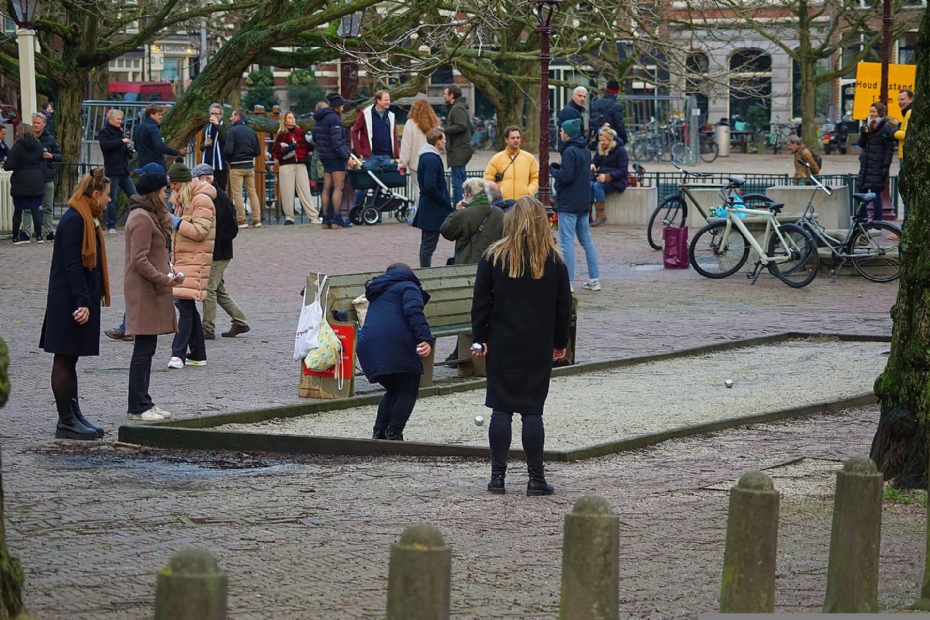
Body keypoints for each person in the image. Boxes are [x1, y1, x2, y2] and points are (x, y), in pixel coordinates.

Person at [470, 196, 572, 496]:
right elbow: (563, 307)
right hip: (537, 343)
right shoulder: (553, 260)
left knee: (500, 408)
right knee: (532, 411)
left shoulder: (494, 257)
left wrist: (480, 338)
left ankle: (497, 478)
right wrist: (560, 342)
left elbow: (481, 303)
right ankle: (535, 478)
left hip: (502, 341)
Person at [39, 169, 112, 440]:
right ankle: (66, 420)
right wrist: (82, 302)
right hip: (68, 301)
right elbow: (72, 265)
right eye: (107, 195)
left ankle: (74, 414)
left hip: (77, 298)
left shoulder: (86, 218)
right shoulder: (75, 220)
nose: (109, 200)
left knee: (71, 358)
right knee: (64, 357)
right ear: (95, 195)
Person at [123, 168, 178, 422]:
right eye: (164, 190)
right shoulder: (141, 218)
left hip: (151, 288)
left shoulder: (148, 215)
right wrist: (162, 278)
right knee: (143, 350)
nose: (166, 195)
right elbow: (139, 259)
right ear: (155, 192)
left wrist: (168, 268)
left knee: (148, 348)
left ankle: (144, 401)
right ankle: (137, 406)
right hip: (143, 290)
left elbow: (152, 254)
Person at [356, 263, 433, 441]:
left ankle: (379, 432)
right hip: (396, 344)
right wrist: (425, 339)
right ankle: (394, 434)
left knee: (393, 389)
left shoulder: (378, 290)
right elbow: (414, 312)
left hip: (368, 346)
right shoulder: (408, 286)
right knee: (407, 388)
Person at [166, 158, 216, 369]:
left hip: (195, 259)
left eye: (175, 183)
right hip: (184, 259)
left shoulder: (201, 200)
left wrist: (178, 223)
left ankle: (177, 354)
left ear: (183, 183)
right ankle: (197, 353)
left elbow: (200, 231)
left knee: (185, 307)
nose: (171, 188)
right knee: (187, 306)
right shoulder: (181, 201)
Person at [192, 163, 250, 340]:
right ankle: (240, 321)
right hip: (217, 251)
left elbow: (231, 228)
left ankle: (208, 327)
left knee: (209, 288)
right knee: (218, 289)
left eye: (197, 179)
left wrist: (216, 244)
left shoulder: (218, 198)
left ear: (206, 179)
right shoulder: (213, 196)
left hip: (219, 252)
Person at [550, 118, 600, 292]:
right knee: (586, 240)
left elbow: (566, 177)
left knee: (566, 242)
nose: (560, 133)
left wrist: (553, 170)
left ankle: (568, 282)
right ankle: (594, 279)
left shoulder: (569, 151)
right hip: (582, 202)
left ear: (568, 134)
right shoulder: (584, 149)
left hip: (569, 203)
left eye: (562, 131)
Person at [352, 90, 399, 208]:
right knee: (363, 186)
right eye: (386, 100)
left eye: (389, 99)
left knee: (380, 187)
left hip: (386, 156)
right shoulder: (366, 113)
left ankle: (374, 212)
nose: (389, 102)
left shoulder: (391, 116)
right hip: (370, 156)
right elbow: (354, 131)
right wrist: (359, 150)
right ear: (378, 100)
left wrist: (396, 155)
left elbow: (394, 135)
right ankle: (356, 210)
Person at [441, 178, 505, 265]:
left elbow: (446, 231)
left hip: (467, 263)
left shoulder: (464, 214)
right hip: (493, 263)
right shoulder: (499, 213)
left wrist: (457, 212)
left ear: (468, 194)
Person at [271, 110, 318, 224]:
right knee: (287, 191)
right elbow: (275, 152)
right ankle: (289, 217)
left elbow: (309, 148)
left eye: (293, 117)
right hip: (286, 165)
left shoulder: (301, 133)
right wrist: (288, 149)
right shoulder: (281, 136)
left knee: (305, 191)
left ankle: (313, 216)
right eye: (290, 118)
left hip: (301, 164)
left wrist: (312, 141)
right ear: (285, 121)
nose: (293, 119)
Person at [313, 93, 353, 229]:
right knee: (338, 187)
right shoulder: (334, 120)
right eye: (341, 106)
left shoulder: (320, 118)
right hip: (336, 157)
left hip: (324, 157)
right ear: (337, 106)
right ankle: (337, 217)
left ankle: (325, 218)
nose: (342, 108)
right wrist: (346, 157)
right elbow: (337, 142)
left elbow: (315, 137)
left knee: (326, 187)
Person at [20, 112, 61, 242]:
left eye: (38, 123)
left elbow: (60, 156)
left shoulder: (50, 139)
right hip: (31, 177)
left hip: (46, 176)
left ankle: (48, 231)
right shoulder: (27, 138)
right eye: (34, 123)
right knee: (28, 206)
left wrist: (51, 156)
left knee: (48, 206)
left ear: (44, 124)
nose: (36, 125)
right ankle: (26, 232)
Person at [413, 128, 452, 267]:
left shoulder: (427, 156)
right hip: (433, 208)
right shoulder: (431, 159)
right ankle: (426, 272)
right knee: (428, 245)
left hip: (430, 206)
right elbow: (430, 185)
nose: (445, 141)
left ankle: (425, 270)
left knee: (427, 244)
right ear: (438, 141)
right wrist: (442, 199)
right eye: (443, 139)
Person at [97, 109, 138, 233]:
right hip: (112, 171)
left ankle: (137, 221)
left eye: (121, 119)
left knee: (135, 196)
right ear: (110, 119)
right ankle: (111, 225)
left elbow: (122, 149)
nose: (120, 121)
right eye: (118, 119)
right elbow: (105, 146)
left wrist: (129, 151)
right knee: (112, 200)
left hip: (124, 170)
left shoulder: (121, 132)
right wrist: (121, 141)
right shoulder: (103, 133)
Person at [856, 102, 897, 222]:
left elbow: (889, 149)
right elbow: (861, 144)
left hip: (877, 166)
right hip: (866, 165)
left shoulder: (885, 127)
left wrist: (885, 166)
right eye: (870, 111)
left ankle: (877, 222)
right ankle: (863, 219)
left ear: (880, 113)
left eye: (874, 112)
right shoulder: (867, 125)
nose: (871, 114)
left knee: (875, 195)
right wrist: (864, 134)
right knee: (860, 192)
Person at [6, 124, 45, 245]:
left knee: (18, 210)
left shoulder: (17, 147)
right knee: (35, 208)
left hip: (20, 179)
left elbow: (10, 165)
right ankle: (39, 236)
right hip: (36, 179)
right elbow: (41, 159)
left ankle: (15, 237)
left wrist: (6, 165)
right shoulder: (38, 146)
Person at [398, 98, 440, 204]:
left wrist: (402, 163)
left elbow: (406, 146)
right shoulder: (435, 124)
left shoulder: (410, 124)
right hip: (433, 161)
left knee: (418, 189)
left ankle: (420, 210)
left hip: (416, 163)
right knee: (432, 188)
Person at [225, 109, 263, 228]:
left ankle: (241, 220)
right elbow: (258, 151)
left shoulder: (232, 131)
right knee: (252, 192)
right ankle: (257, 219)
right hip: (249, 166)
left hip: (236, 166)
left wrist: (228, 159)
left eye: (232, 116)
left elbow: (228, 150)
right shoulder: (251, 131)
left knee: (237, 194)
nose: (230, 118)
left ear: (237, 116)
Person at [483, 126, 539, 202]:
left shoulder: (529, 158)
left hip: (523, 202)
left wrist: (529, 192)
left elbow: (536, 178)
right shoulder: (496, 159)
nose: (516, 140)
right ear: (506, 139)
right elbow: (488, 180)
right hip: (503, 203)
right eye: (513, 138)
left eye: (518, 138)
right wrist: (498, 195)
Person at [589, 124, 628, 227]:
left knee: (597, 185)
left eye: (604, 140)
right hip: (602, 178)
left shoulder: (620, 151)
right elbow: (595, 161)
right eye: (600, 140)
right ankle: (588, 215)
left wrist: (607, 177)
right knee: (590, 185)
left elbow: (623, 171)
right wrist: (592, 164)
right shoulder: (600, 149)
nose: (601, 143)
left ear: (610, 140)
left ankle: (600, 216)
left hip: (616, 181)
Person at [442, 84, 473, 207]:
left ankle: (458, 208)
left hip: (458, 150)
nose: (443, 96)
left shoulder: (457, 108)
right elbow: (470, 128)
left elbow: (462, 126)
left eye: (445, 94)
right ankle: (462, 207)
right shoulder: (458, 107)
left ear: (452, 95)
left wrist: (445, 130)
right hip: (459, 149)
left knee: (458, 183)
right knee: (460, 182)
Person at [134, 104, 187, 171]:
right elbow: (160, 147)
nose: (161, 117)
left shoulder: (138, 127)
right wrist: (178, 152)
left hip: (142, 165)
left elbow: (136, 146)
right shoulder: (153, 128)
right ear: (152, 115)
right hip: (155, 165)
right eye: (159, 115)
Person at [588, 80, 628, 147]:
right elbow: (620, 126)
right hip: (611, 142)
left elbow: (591, 122)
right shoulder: (616, 106)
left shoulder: (595, 104)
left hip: (597, 141)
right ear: (616, 93)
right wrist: (624, 140)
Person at [894, 89, 913, 229]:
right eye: (899, 99)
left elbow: (906, 134)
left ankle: (905, 229)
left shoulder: (910, 113)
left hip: (905, 156)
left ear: (911, 99)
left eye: (903, 99)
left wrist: (892, 132)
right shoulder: (907, 112)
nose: (900, 102)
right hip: (903, 155)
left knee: (906, 193)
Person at [201, 103, 229, 192]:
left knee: (220, 190)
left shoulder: (226, 126)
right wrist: (204, 144)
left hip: (220, 164)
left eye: (216, 114)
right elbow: (201, 146)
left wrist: (217, 125)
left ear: (221, 115)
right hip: (207, 164)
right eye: (212, 113)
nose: (214, 116)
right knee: (206, 189)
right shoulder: (206, 127)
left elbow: (225, 139)